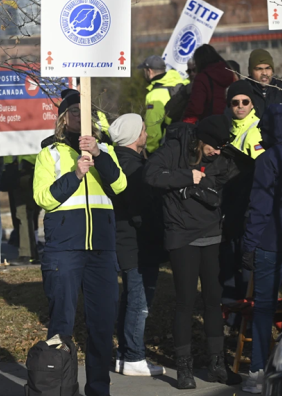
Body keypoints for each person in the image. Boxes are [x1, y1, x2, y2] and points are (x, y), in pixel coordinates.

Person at [32, 92, 127, 396]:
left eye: (85, 111)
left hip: (101, 249)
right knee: (62, 326)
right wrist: (75, 175)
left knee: (101, 327)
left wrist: (98, 154)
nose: (79, 117)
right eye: (73, 111)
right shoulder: (51, 153)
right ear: (62, 118)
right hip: (64, 248)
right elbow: (43, 198)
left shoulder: (105, 150)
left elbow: (120, 185)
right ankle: (58, 389)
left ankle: (99, 389)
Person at [143, 115, 241, 389]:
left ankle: (217, 365)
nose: (217, 152)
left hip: (211, 234)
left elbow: (229, 186)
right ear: (203, 140)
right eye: (214, 146)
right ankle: (184, 368)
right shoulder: (175, 149)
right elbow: (151, 174)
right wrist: (188, 177)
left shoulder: (221, 157)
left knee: (213, 300)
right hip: (181, 235)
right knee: (185, 302)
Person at [240, 104, 282, 394]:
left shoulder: (268, 160)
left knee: (263, 310)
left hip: (271, 245)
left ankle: (258, 373)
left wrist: (248, 244)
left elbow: (260, 206)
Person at [107, 114, 165, 377]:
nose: (146, 132)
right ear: (135, 136)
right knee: (139, 301)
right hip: (137, 242)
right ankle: (133, 356)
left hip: (123, 240)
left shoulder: (117, 160)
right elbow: (142, 210)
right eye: (143, 128)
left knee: (130, 298)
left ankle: (124, 354)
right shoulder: (134, 168)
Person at [220, 81, 263, 328]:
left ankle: (246, 322)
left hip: (246, 207)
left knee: (245, 266)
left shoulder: (254, 130)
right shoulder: (231, 128)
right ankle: (232, 320)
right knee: (229, 263)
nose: (240, 106)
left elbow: (259, 172)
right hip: (231, 206)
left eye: (245, 102)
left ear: (252, 104)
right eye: (235, 102)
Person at [138, 55, 189, 154]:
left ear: (150, 71)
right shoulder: (181, 84)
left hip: (166, 146)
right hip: (184, 140)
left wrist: (151, 150)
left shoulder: (155, 95)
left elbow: (153, 126)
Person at [182, 44, 236, 124]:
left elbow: (196, 107)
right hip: (232, 120)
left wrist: (186, 122)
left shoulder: (202, 77)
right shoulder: (230, 72)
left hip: (211, 123)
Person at [245, 49, 282, 119]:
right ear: (250, 72)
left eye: (268, 68)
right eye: (259, 69)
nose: (264, 73)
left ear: (272, 71)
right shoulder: (242, 91)